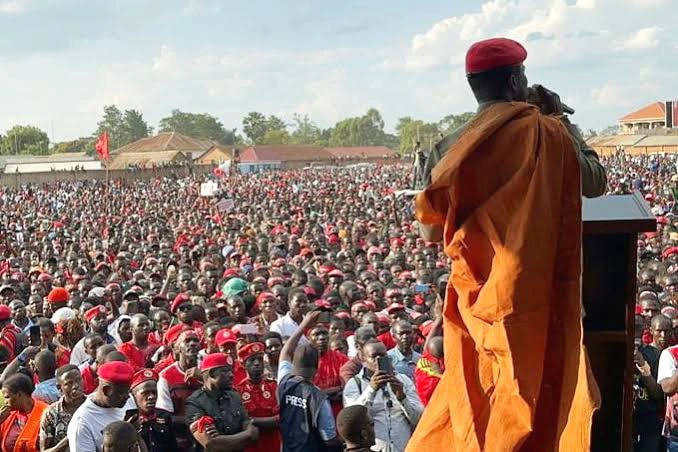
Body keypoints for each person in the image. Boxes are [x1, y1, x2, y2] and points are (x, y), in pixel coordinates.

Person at [409, 37, 601, 451]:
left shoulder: (449, 148)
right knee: (543, 401)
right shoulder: (548, 132)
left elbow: (429, 232)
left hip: (477, 302)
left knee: (484, 400)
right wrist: (561, 119)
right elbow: (595, 182)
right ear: (516, 80)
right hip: (539, 295)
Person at [343, 339, 423, 452]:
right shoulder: (355, 384)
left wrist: (402, 397)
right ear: (363, 359)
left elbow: (418, 419)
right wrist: (371, 389)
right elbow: (352, 420)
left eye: (383, 355)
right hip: (373, 448)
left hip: (403, 447)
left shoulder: (403, 380)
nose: (379, 360)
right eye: (374, 356)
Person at [277, 311, 339, 451]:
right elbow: (329, 439)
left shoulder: (284, 382)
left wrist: (303, 325)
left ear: (294, 365)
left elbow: (285, 352)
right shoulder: (319, 398)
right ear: (317, 367)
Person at [186, 353, 259, 451]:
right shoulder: (195, 402)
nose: (231, 375)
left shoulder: (235, 397)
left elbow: (254, 433)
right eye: (225, 371)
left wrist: (223, 440)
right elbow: (212, 444)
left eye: (231, 370)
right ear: (211, 374)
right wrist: (246, 435)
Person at [67, 361, 135, 452]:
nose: (127, 396)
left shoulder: (128, 402)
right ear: (106, 390)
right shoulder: (82, 422)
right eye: (121, 392)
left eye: (128, 391)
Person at [155, 330, 202, 451]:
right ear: (177, 348)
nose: (192, 344)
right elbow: (165, 416)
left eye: (195, 340)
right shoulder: (166, 376)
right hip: (180, 441)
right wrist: (195, 422)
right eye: (187, 341)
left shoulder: (207, 371)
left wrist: (204, 378)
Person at [234, 342, 281, 452]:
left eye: (260, 359)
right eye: (252, 360)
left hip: (273, 444)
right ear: (244, 364)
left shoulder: (274, 386)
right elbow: (239, 422)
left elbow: (281, 419)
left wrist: (252, 420)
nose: (257, 364)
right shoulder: (237, 390)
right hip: (251, 446)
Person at [634, 314, 669, 451]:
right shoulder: (644, 352)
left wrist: (644, 369)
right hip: (638, 418)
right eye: (659, 330)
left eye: (666, 331)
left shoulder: (670, 355)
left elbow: (658, 394)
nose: (663, 335)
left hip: (653, 422)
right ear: (650, 330)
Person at [125, 368, 179, 452]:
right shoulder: (128, 418)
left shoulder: (164, 416)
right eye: (145, 393)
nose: (151, 397)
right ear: (133, 395)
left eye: (154, 392)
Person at [39, 364, 86, 452]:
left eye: (78, 380)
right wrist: (69, 439)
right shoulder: (51, 413)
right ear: (59, 388)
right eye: (69, 383)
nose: (76, 385)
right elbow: (44, 450)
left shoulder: (92, 406)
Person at [308, 323, 348, 418]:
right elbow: (307, 393)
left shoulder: (342, 359)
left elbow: (348, 388)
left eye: (324, 333)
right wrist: (331, 391)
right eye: (316, 334)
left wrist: (322, 393)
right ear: (308, 337)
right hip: (313, 413)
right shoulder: (303, 360)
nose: (321, 337)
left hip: (338, 413)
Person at [0, 373, 48, 452]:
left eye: (7, 397)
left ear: (19, 394)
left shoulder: (46, 413)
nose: (5, 402)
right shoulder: (8, 416)